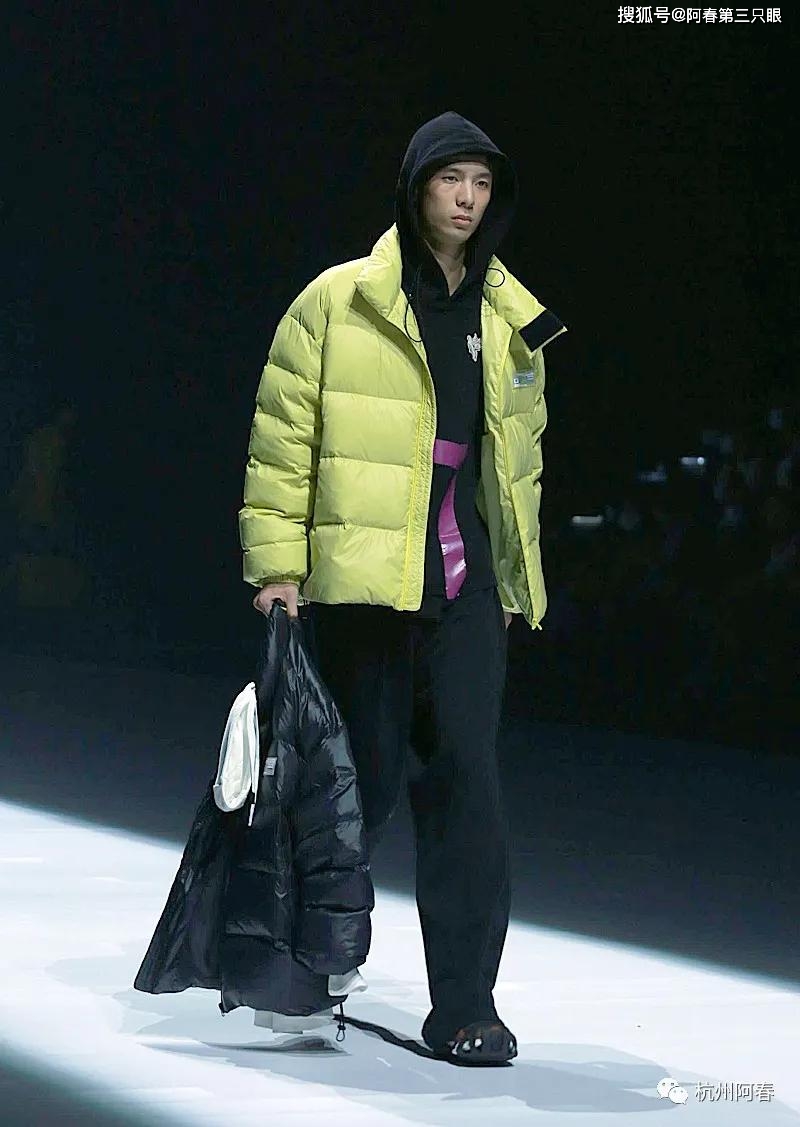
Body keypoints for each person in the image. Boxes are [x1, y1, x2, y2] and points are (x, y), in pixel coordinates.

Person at [239, 110, 566, 1064]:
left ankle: (466, 1006)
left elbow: (518, 465)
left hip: (465, 584)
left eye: (483, 184)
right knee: (356, 783)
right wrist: (277, 565)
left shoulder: (511, 317)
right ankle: (300, 971)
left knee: (469, 785)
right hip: (365, 584)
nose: (467, 200)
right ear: (415, 187)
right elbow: (283, 435)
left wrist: (516, 571)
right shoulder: (337, 301)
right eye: (450, 179)